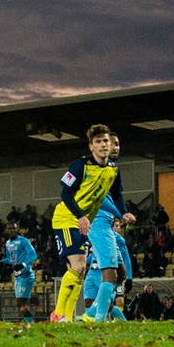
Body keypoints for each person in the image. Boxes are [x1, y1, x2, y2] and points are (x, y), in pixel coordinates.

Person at [48, 124, 120, 321]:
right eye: (99, 142)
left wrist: (124, 213)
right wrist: (80, 215)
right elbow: (65, 192)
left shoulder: (112, 170)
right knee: (78, 266)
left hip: (84, 221)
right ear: (91, 146)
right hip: (66, 218)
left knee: (80, 270)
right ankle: (59, 314)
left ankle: (67, 317)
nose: (105, 145)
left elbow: (116, 195)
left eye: (106, 141)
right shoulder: (80, 165)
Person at [83, 131, 137, 321]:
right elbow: (97, 199)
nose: (115, 147)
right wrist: (121, 213)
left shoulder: (112, 169)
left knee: (120, 273)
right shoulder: (95, 169)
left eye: (117, 144)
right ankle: (93, 318)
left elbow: (116, 197)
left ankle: (96, 316)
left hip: (105, 223)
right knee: (111, 274)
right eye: (111, 143)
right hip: (97, 220)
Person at [5, 221, 40, 322]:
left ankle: (31, 324)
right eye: (10, 228)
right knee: (23, 304)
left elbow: (33, 255)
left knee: (20, 304)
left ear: (18, 229)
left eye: (14, 228)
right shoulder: (7, 243)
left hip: (26, 275)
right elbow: (9, 258)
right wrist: (2, 262)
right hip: (18, 276)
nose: (12, 231)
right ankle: (28, 322)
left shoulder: (24, 241)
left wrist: (23, 264)